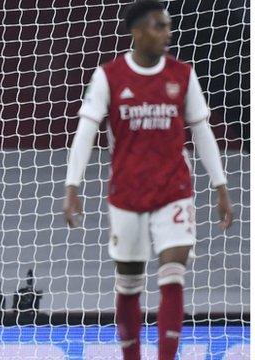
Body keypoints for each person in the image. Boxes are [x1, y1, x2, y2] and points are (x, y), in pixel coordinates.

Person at [63, 1, 233, 359]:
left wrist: (220, 186)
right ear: (137, 31)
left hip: (174, 190)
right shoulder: (108, 76)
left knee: (173, 274)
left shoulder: (183, 75)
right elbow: (84, 131)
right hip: (127, 194)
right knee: (128, 284)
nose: (167, 33)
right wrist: (72, 186)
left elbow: (202, 131)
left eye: (168, 26)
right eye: (159, 26)